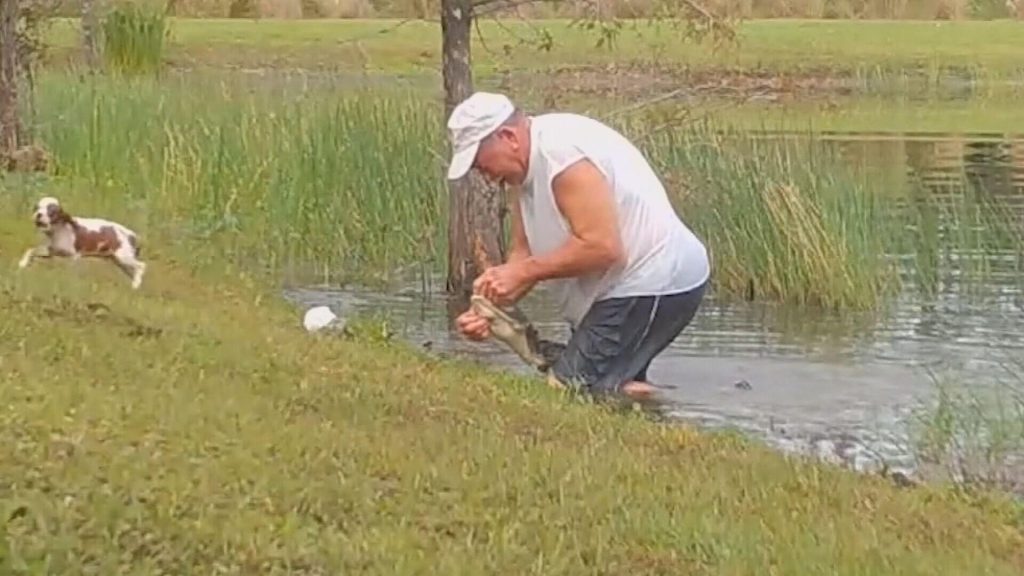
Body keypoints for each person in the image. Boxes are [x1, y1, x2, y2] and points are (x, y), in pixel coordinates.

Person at [446, 92, 710, 400]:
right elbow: (524, 253)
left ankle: (690, 414)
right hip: (618, 288)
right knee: (602, 383)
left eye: (478, 160)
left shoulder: (563, 157)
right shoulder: (523, 171)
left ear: (508, 137)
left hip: (655, 279)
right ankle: (655, 414)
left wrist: (525, 273)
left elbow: (603, 247)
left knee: (572, 389)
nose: (482, 173)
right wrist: (489, 308)